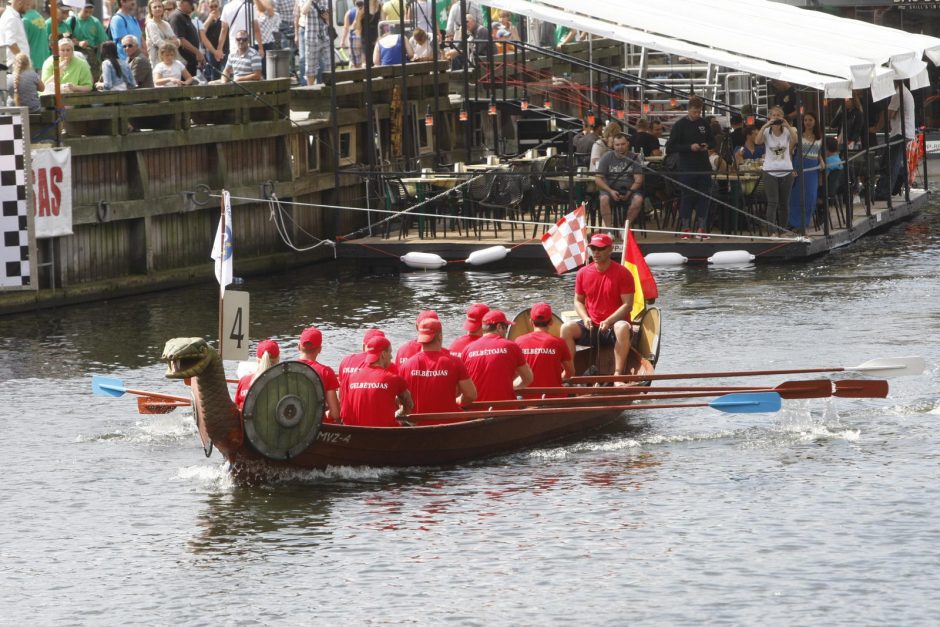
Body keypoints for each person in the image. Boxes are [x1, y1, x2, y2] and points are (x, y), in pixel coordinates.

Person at [560, 233, 635, 383]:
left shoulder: (623, 273)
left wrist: (609, 321)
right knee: (566, 328)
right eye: (593, 248)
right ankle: (569, 373)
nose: (596, 252)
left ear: (610, 250)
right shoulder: (582, 273)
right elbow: (578, 301)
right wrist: (585, 318)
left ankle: (618, 375)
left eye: (600, 249)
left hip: (614, 326)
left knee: (621, 327)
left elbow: (628, 305)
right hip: (592, 326)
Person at [401, 317, 477, 415]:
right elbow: (471, 395)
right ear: (440, 336)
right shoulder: (455, 362)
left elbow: (400, 399)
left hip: (417, 426)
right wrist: (457, 401)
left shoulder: (406, 366)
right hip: (451, 423)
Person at [665, 95, 714, 239]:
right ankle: (685, 227)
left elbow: (712, 141)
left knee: (704, 197)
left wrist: (707, 146)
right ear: (688, 109)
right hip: (687, 166)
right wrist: (688, 147)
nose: (697, 115)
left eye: (699, 112)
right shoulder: (680, 125)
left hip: (703, 165)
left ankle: (701, 227)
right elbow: (671, 147)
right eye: (694, 112)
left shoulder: (704, 123)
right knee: (687, 197)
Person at [342, 335, 413, 427]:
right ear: (383, 354)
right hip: (386, 435)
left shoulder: (350, 378)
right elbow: (409, 404)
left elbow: (344, 412)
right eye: (390, 352)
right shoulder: (393, 379)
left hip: (356, 435)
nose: (391, 357)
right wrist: (400, 412)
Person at [462, 310, 532, 402]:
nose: (507, 331)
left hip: (476, 411)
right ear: (499, 327)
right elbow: (528, 378)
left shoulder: (467, 349)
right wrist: (510, 386)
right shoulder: (511, 346)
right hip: (506, 411)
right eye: (506, 327)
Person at [514, 303, 573, 396]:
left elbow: (515, 374)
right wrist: (558, 378)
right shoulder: (559, 343)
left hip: (527, 401)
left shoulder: (518, 342)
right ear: (551, 322)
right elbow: (570, 372)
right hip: (555, 400)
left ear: (531, 322)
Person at [754, 105, 797, 229]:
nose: (776, 117)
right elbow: (757, 141)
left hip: (786, 171)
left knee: (784, 203)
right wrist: (765, 126)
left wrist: (787, 125)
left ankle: (783, 229)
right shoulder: (767, 132)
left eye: (778, 115)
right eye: (773, 115)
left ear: (782, 117)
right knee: (772, 202)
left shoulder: (789, 131)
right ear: (769, 117)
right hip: (770, 171)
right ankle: (771, 230)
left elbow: (796, 140)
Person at [875, 81, 915, 200]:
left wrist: (877, 126)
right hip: (904, 131)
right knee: (892, 161)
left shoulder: (898, 93)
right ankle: (901, 177)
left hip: (900, 132)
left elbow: (890, 114)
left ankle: (884, 192)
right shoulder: (904, 91)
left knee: (890, 162)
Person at [595, 132, 645, 229]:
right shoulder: (606, 157)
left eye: (623, 144)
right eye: (617, 145)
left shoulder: (634, 158)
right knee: (603, 199)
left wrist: (630, 191)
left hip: (630, 190)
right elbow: (598, 179)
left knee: (638, 200)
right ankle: (609, 230)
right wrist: (610, 191)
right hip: (610, 190)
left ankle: (625, 228)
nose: (620, 147)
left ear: (627, 144)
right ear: (613, 145)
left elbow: (639, 179)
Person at [297, 326, 342, 422]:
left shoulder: (288, 368)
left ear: (299, 346)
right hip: (318, 428)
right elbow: (335, 414)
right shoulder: (326, 372)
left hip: (292, 425)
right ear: (319, 349)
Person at [788, 111, 824, 230]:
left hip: (813, 167)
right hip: (799, 165)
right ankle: (794, 222)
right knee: (796, 195)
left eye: (810, 120)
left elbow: (818, 151)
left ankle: (805, 222)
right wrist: (791, 167)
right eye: (805, 120)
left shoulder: (819, 137)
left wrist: (821, 161)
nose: (808, 122)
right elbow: (789, 151)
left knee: (811, 195)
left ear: (815, 122)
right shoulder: (798, 135)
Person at [338, 328, 397, 400]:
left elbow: (340, 395)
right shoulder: (388, 365)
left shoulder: (346, 361)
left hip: (347, 409)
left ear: (363, 346)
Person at [234, 339, 280, 409]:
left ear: (257, 359)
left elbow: (237, 408)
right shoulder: (284, 383)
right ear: (278, 359)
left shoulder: (244, 381)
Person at [71, 3, 110, 82]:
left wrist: (101, 57)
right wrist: (78, 43)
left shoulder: (95, 22)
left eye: (90, 12)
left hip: (91, 55)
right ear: (80, 9)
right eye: (86, 11)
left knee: (93, 79)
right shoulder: (72, 21)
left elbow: (103, 40)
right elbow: (67, 40)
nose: (88, 14)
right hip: (75, 55)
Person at [169, 0, 204, 79]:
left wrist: (198, 53)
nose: (192, 6)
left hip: (191, 61)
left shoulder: (185, 16)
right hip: (183, 63)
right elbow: (180, 40)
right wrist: (197, 52)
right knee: (185, 88)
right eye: (190, 3)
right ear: (181, 2)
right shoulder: (176, 17)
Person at [299, 0, 330, 85]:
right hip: (311, 37)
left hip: (325, 37)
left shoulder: (326, 1)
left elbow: (330, 20)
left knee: (329, 65)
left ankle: (328, 90)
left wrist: (327, 17)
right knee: (310, 69)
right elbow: (303, 11)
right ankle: (310, 91)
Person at [146, 0, 180, 66]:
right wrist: (171, 42)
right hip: (158, 62)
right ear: (151, 10)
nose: (157, 8)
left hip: (171, 60)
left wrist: (167, 41)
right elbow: (159, 43)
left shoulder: (166, 23)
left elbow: (178, 42)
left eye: (159, 6)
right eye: (155, 7)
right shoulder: (151, 24)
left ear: (163, 8)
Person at [199, 0, 226, 80]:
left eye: (215, 6)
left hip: (223, 48)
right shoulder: (203, 17)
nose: (214, 8)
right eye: (211, 6)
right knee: (213, 74)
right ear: (208, 6)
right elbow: (202, 31)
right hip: (210, 50)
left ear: (219, 6)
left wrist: (219, 50)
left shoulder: (223, 16)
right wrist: (210, 18)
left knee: (224, 72)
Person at [0, 0, 30, 68]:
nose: (28, 8)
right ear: (20, 2)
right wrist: (23, 61)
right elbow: (11, 42)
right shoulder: (11, 17)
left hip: (16, 64)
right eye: (27, 5)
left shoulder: (14, 16)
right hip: (15, 65)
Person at [21, 1, 49, 73]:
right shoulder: (40, 17)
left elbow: (22, 43)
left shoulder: (25, 20)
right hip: (43, 60)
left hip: (32, 62)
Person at [339, 0, 362, 68]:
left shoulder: (349, 12)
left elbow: (346, 28)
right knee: (365, 60)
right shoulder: (366, 10)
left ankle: (357, 76)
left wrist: (342, 41)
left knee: (355, 62)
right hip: (364, 37)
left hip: (354, 38)